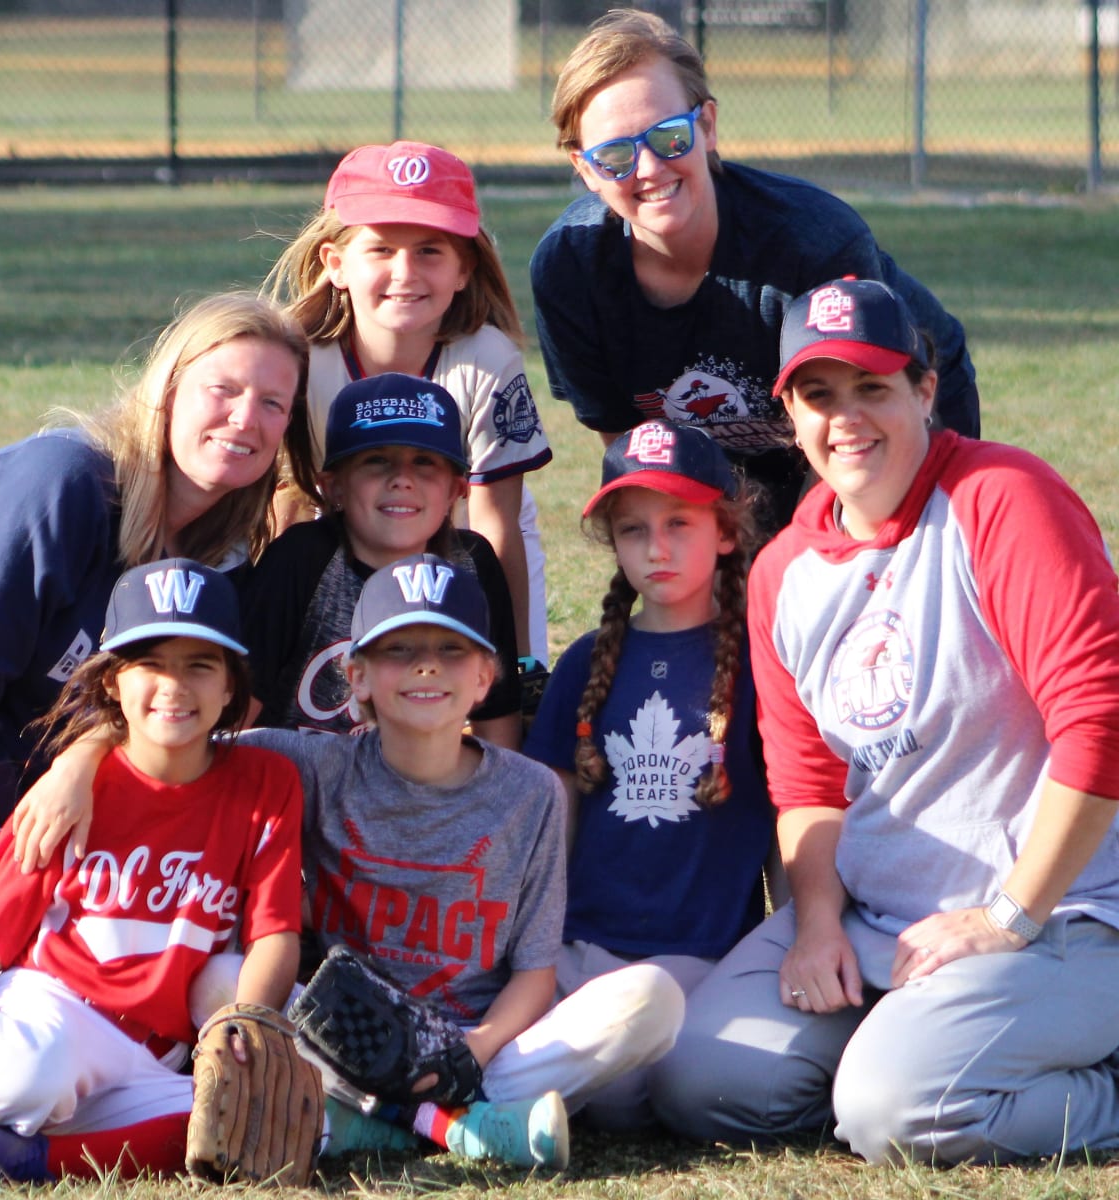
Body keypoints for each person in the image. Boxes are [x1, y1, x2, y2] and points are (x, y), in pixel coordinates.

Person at [646, 276, 1119, 1165]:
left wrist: (1008, 916)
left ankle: (1079, 1073)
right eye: (819, 395)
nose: (847, 418)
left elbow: (1100, 724)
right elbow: (808, 786)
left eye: (873, 387)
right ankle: (922, 1049)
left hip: (1066, 912)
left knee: (893, 1109)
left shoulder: (1001, 499)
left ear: (925, 392)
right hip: (881, 923)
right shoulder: (785, 568)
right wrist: (818, 922)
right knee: (702, 1076)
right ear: (787, 412)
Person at [17, 555, 687, 1170]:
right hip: (344, 1038)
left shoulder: (531, 791)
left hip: (473, 1050)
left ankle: (377, 1122)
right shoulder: (313, 762)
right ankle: (456, 1129)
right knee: (222, 980)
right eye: (399, 650)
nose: (427, 667)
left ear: (486, 676)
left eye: (451, 651)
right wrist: (83, 755)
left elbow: (535, 976)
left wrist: (473, 1052)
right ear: (356, 675)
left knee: (652, 998)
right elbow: (183, 724)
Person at [0, 291, 317, 1029]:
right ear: (167, 389)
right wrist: (31, 886)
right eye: (222, 390)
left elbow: (148, 711)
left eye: (272, 403)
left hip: (34, 845)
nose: (245, 419)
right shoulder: (61, 484)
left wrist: (80, 767)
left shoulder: (213, 563)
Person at [0, 559, 304, 1187]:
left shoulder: (266, 783)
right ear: (112, 684)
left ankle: (24, 1155)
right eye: (150, 663)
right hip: (54, 1013)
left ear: (232, 687)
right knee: (18, 1078)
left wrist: (246, 1025)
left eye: (200, 665)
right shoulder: (72, 792)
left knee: (269, 1119)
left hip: (157, 1053)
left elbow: (274, 935)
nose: (174, 686)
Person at [530, 7, 979, 534]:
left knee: (875, 567)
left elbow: (855, 423)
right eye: (614, 156)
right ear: (585, 169)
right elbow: (636, 450)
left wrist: (793, 562)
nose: (649, 168)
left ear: (708, 126)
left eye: (670, 137)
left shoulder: (811, 244)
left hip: (882, 410)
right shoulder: (568, 271)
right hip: (752, 447)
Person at [523, 419, 774, 1131]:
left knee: (636, 1089)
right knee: (585, 1066)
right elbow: (555, 818)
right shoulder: (586, 662)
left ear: (726, 531)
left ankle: (522, 1087)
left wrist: (793, 942)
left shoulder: (760, 664)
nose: (655, 548)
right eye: (633, 530)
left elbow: (792, 822)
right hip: (581, 948)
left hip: (696, 957)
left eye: (679, 524)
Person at [265, 138, 553, 665]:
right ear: (336, 263)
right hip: (336, 524)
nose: (405, 272)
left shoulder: (486, 359)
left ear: (463, 268)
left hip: (461, 530)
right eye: (380, 249)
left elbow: (493, 526)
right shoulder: (299, 354)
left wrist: (514, 660)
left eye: (429, 250)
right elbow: (290, 499)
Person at [241, 371, 522, 748]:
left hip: (418, 790)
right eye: (376, 460)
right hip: (296, 790)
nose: (402, 479)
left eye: (424, 461)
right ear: (334, 486)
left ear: (457, 489)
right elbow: (238, 713)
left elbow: (495, 721)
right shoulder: (303, 558)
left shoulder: (471, 566)